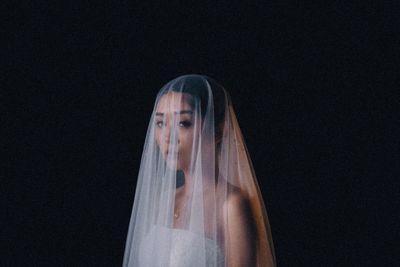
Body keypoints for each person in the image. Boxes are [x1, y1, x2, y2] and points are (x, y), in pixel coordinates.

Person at [122, 74, 276, 267]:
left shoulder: (231, 204)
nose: (168, 137)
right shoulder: (166, 199)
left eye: (183, 123)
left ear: (218, 131)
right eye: (161, 123)